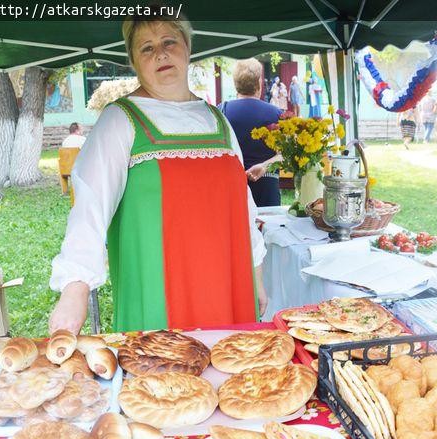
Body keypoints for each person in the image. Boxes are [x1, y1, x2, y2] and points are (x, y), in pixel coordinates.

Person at [49, 10, 267, 335]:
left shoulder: (217, 121)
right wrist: (75, 288)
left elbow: (243, 208)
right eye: (146, 48)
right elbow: (89, 207)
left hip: (228, 288)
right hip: (158, 299)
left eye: (169, 41)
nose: (161, 53)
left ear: (188, 48)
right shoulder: (120, 120)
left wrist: (257, 279)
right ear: (133, 61)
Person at [219, 58, 283, 208]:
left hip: (232, 188)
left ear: (236, 84)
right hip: (267, 188)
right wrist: (265, 165)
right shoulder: (276, 114)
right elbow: (285, 155)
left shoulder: (221, 112)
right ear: (259, 83)